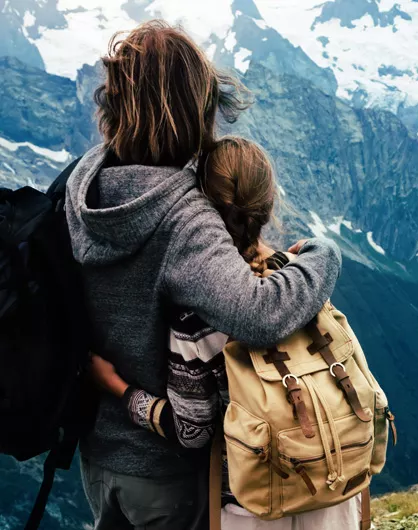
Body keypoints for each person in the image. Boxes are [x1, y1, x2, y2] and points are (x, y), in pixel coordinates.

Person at [66, 22, 342, 530]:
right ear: (190, 109)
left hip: (98, 456)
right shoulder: (182, 214)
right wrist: (323, 255)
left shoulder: (83, 184)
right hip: (166, 470)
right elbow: (260, 313)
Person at [90, 137, 362, 529]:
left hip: (257, 502)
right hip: (334, 487)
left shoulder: (197, 313)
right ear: (268, 205)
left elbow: (192, 431)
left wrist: (119, 390)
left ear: (202, 206)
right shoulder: (301, 279)